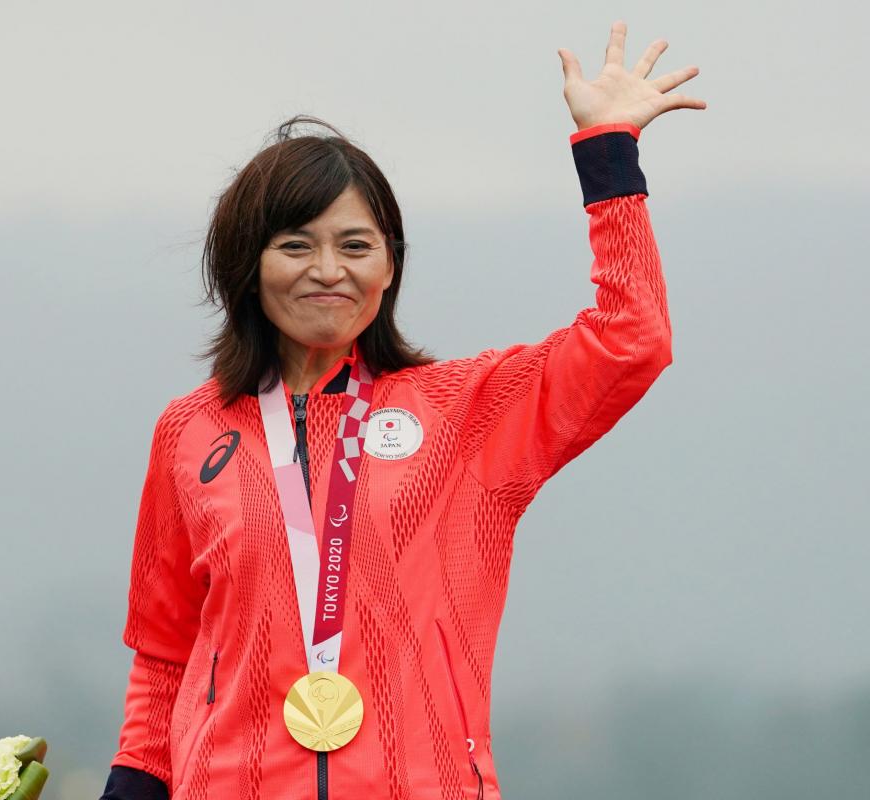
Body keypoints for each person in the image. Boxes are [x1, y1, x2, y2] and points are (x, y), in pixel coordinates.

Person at [100, 20, 704, 800]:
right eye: (294, 245)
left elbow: (632, 341)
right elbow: (163, 658)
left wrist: (609, 155)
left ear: (391, 264)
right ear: (246, 264)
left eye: (355, 246)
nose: (327, 271)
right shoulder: (189, 432)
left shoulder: (467, 411)